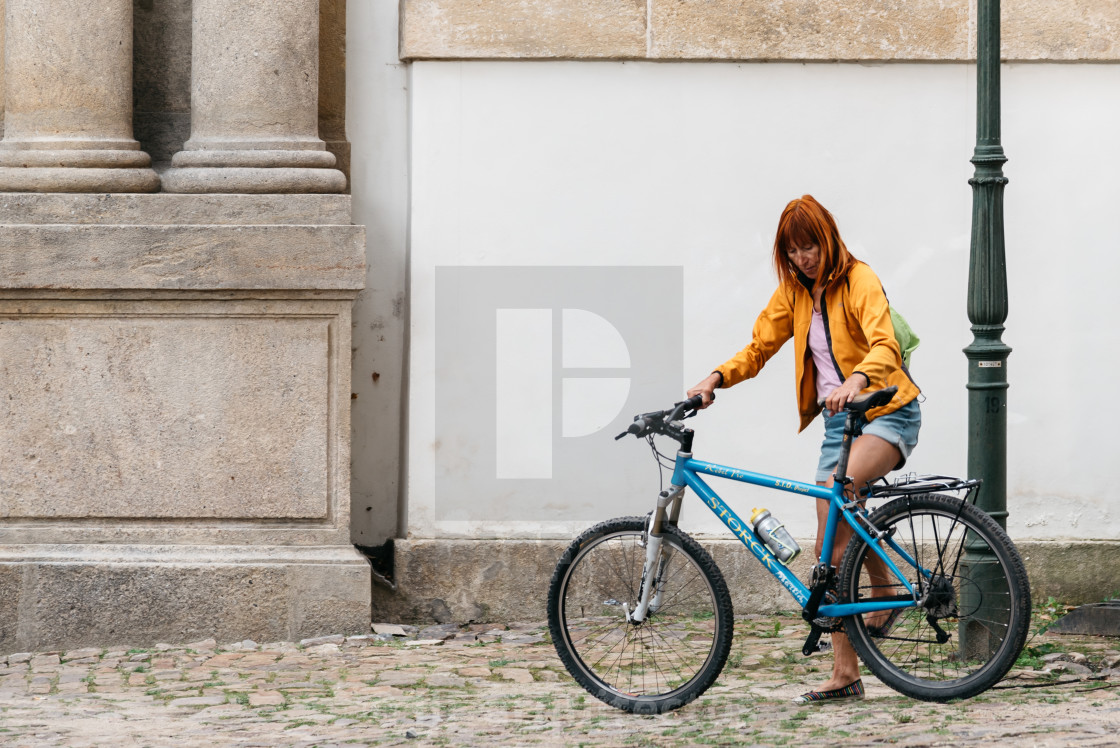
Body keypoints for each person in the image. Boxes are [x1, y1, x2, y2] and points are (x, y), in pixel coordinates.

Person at [686, 195, 921, 704]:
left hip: (886, 409)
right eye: (792, 251)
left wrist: (856, 380)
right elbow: (759, 347)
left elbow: (886, 345)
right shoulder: (793, 293)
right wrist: (716, 378)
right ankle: (846, 673)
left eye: (809, 246)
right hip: (841, 426)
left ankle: (883, 596)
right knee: (828, 548)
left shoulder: (859, 280)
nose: (802, 258)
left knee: (839, 521)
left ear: (828, 238)